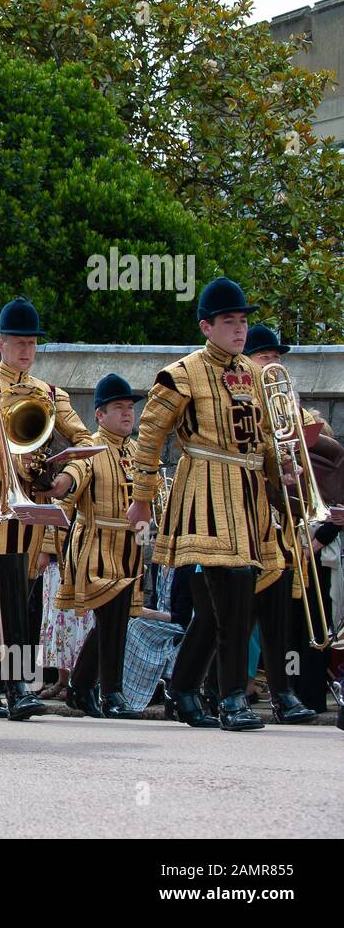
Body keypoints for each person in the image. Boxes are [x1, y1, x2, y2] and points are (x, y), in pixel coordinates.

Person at [126, 277, 289, 731]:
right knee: (234, 595)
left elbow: (268, 440)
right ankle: (232, 697)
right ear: (206, 326)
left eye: (242, 321)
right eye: (228, 321)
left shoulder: (255, 374)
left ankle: (183, 689)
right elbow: (150, 436)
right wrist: (142, 500)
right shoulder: (182, 373)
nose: (239, 329)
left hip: (250, 494)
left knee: (224, 606)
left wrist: (283, 485)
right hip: (206, 491)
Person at [0, 297, 94, 721]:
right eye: (18, 342)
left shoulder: (50, 395)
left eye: (32, 343)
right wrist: (11, 467)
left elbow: (84, 444)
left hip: (31, 511)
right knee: (4, 595)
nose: (25, 350)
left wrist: (66, 479)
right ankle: (17, 685)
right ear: (0, 343)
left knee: (12, 595)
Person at [50, 373, 146, 718]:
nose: (126, 414)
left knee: (113, 621)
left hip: (130, 546)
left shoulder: (136, 451)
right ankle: (112, 694)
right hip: (97, 545)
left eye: (129, 408)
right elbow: (74, 473)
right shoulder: (91, 448)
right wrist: (61, 483)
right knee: (113, 618)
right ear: (99, 415)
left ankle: (80, 686)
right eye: (117, 407)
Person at [240, 324, 318, 723]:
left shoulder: (286, 400)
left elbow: (317, 442)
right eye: (264, 356)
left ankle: (284, 693)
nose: (273, 362)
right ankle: (204, 688)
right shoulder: (241, 399)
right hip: (243, 518)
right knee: (225, 619)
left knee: (277, 619)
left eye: (276, 356)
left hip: (282, 524)